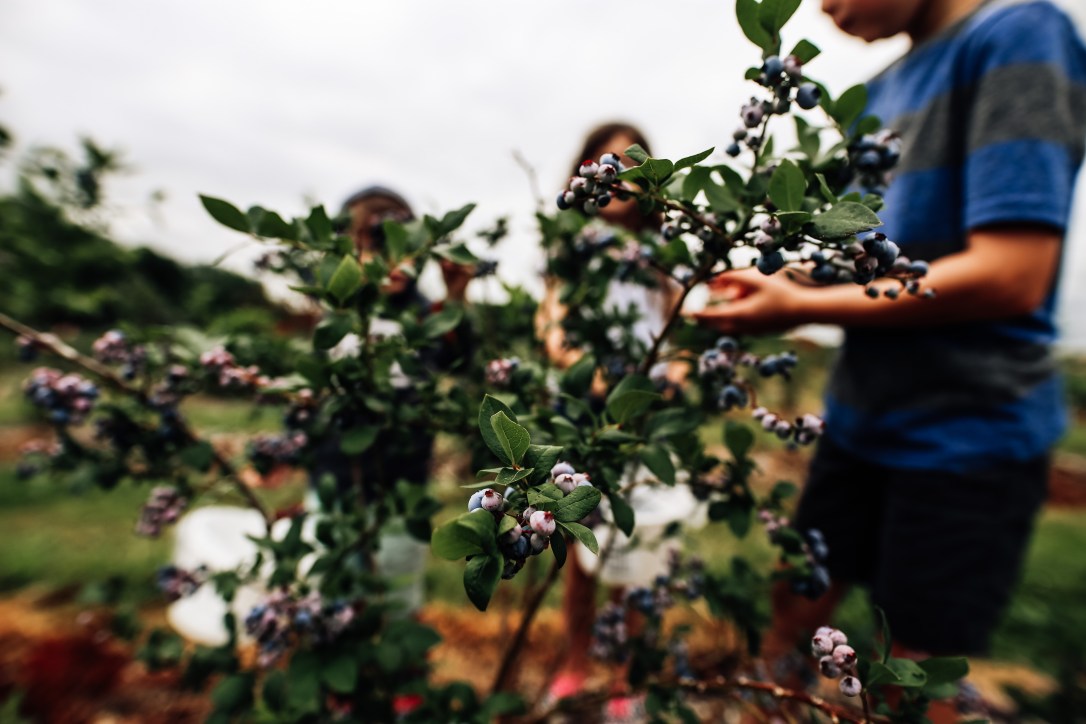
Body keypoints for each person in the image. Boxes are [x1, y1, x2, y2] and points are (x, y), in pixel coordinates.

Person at [694, 0, 1085, 714]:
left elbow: (1012, 273)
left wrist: (799, 306)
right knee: (794, 610)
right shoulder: (876, 95)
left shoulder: (1022, 35)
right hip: (859, 417)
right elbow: (851, 259)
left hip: (969, 433)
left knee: (911, 670)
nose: (821, 7)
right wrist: (759, 286)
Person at [537, 123, 686, 709]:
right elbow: (552, 320)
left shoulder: (661, 250)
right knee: (579, 548)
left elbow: (675, 322)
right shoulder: (572, 242)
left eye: (631, 162)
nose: (617, 172)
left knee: (634, 550)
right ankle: (576, 660)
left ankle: (625, 672)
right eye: (607, 161)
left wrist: (673, 375)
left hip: (642, 417)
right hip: (582, 412)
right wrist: (585, 369)